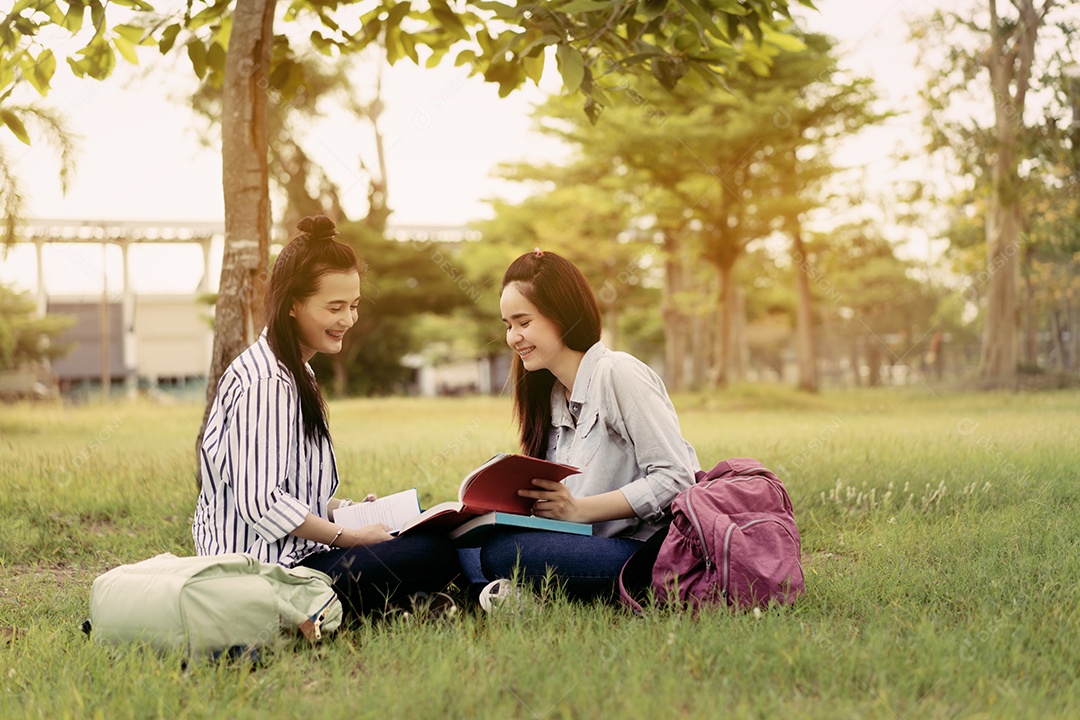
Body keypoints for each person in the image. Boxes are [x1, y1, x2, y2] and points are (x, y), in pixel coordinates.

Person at [192, 215, 459, 617]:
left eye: (352, 306)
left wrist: (346, 510)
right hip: (267, 571)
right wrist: (348, 536)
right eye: (334, 307)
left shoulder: (295, 370)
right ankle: (394, 604)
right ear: (293, 304)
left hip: (290, 554)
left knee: (427, 526)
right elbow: (263, 503)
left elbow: (286, 486)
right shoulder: (268, 382)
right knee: (433, 552)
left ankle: (400, 603)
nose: (348, 320)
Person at [474, 249, 699, 603]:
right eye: (508, 326)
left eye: (524, 322)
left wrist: (579, 510)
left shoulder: (617, 373)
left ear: (562, 316)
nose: (513, 337)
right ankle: (516, 594)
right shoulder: (550, 395)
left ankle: (514, 592)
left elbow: (675, 478)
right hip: (580, 544)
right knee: (454, 547)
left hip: (641, 551)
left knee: (502, 554)